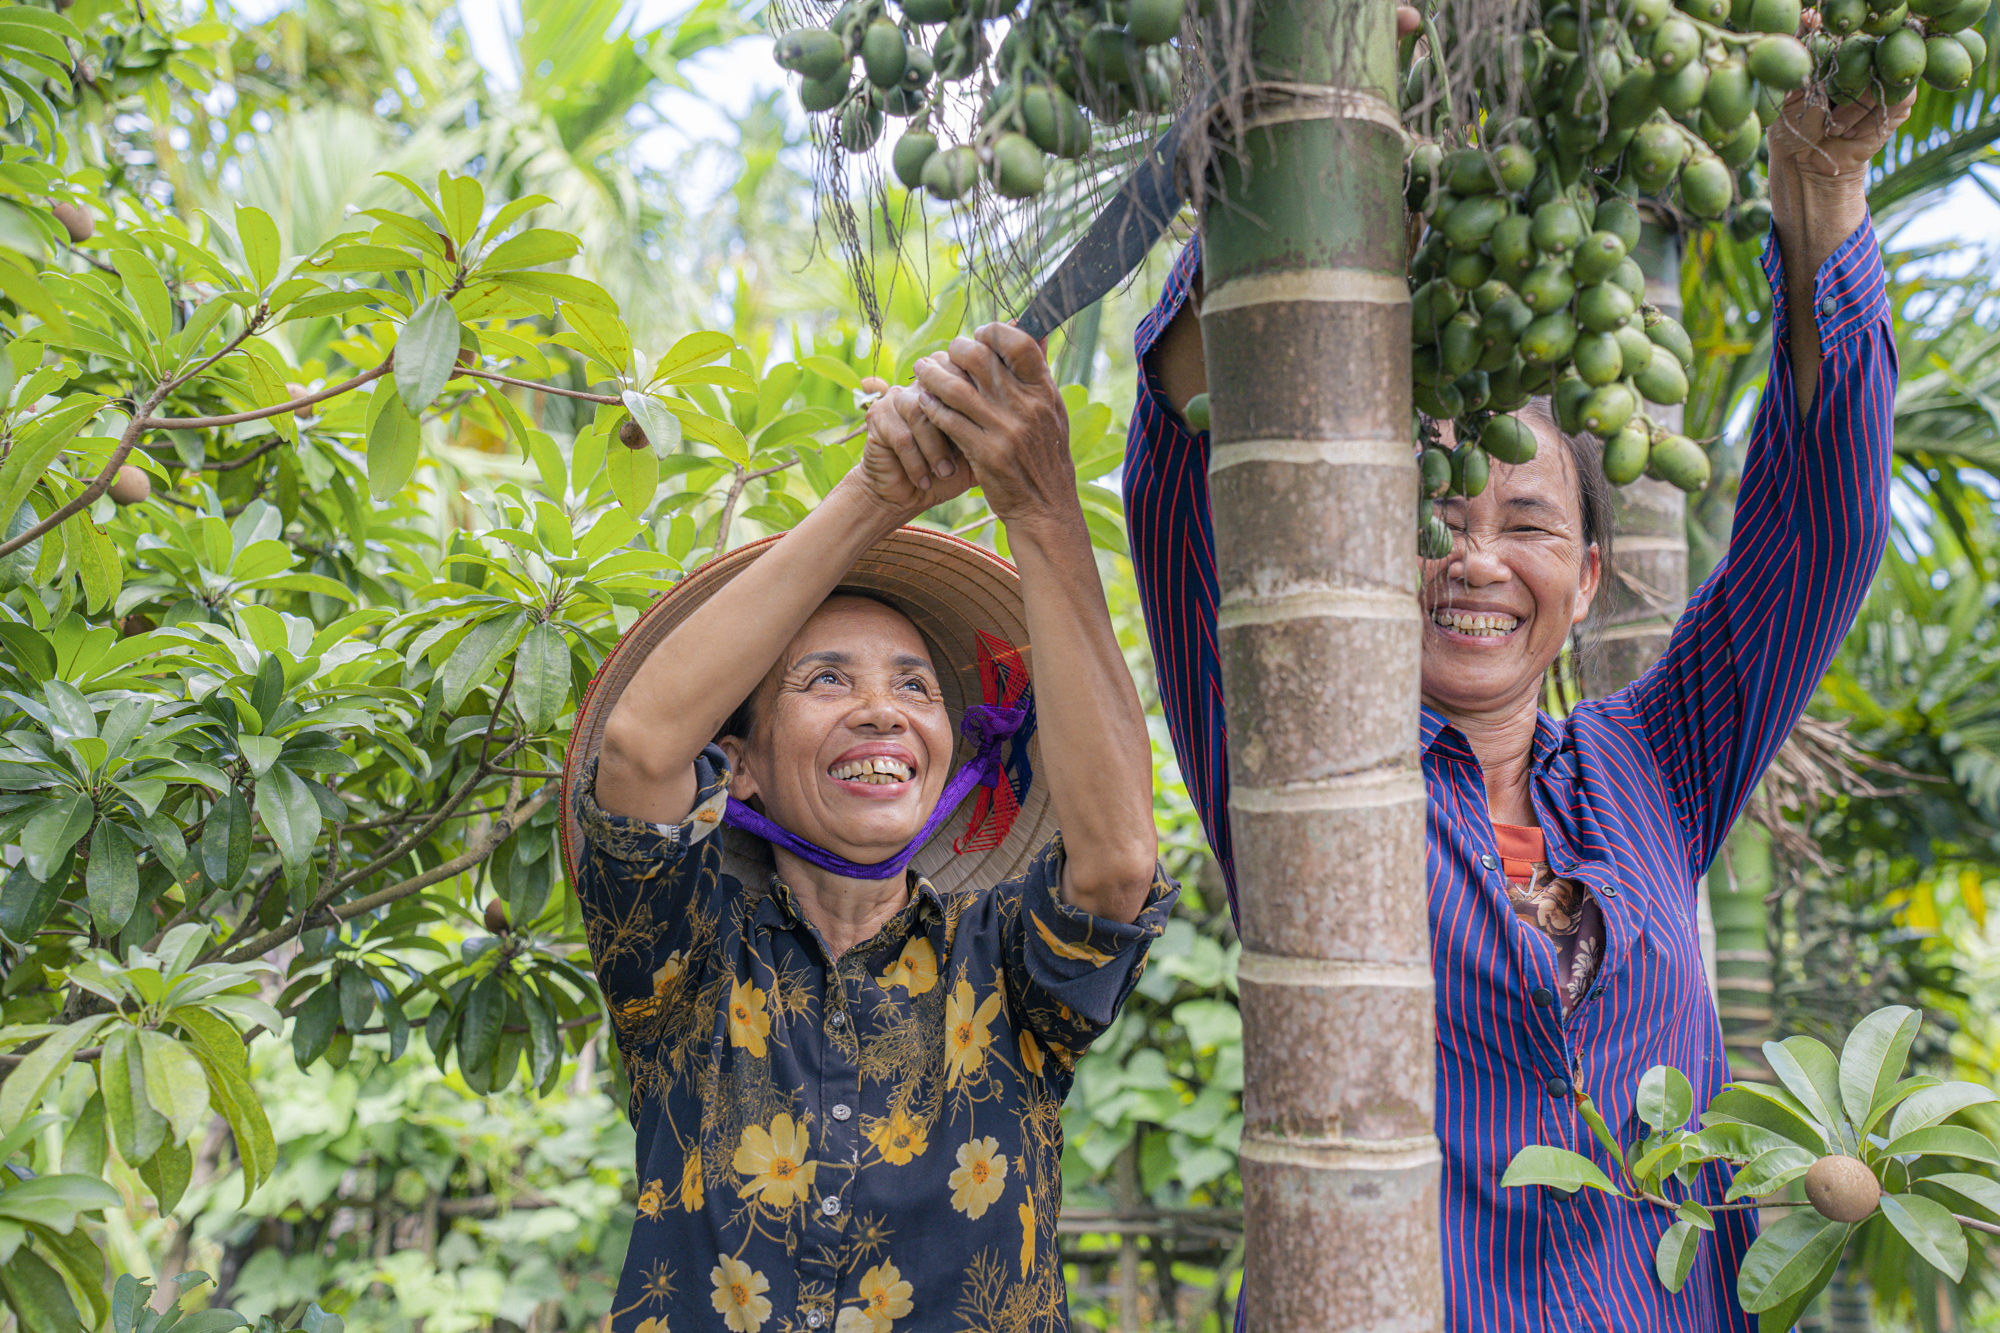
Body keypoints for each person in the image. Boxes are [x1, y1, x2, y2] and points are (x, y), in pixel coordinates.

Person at [1110, 91, 1908, 1331]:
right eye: (1435, 515)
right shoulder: (1292, 759)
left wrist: (1819, 191)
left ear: (1586, 578)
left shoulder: (1654, 761)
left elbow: (1821, 530)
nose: (1475, 558)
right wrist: (1301, 134)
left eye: (1526, 525)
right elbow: (1174, 473)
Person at [568, 326, 1176, 1333]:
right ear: (744, 762)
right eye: (824, 681)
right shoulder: (686, 954)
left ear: (949, 746)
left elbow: (1116, 864)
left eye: (913, 687)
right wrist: (877, 494)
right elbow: (636, 753)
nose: (882, 710)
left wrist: (1037, 501)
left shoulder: (1001, 968)